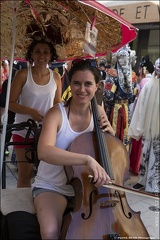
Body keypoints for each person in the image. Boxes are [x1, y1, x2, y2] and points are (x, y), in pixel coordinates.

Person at [31, 59, 115, 239]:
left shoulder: (99, 111)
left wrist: (111, 134)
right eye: (76, 83)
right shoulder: (56, 113)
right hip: (53, 186)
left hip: (89, 188)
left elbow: (110, 152)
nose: (82, 89)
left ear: (97, 85)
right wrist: (86, 159)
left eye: (88, 84)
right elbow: (44, 151)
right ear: (70, 82)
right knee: (50, 232)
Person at [9, 37, 62, 187]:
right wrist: (30, 111)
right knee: (24, 175)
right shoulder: (23, 75)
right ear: (31, 54)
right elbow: (10, 103)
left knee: (44, 175)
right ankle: (22, 209)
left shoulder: (56, 77)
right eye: (37, 51)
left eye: (46, 52)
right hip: (22, 131)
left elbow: (57, 104)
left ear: (51, 55)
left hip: (47, 132)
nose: (42, 56)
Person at [128, 58, 160, 193]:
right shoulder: (148, 86)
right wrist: (138, 128)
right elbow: (141, 108)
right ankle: (142, 181)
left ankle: (155, 184)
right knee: (146, 153)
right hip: (148, 127)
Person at [103, 44, 137, 151]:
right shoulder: (133, 76)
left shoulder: (113, 74)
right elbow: (132, 97)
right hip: (126, 110)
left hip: (115, 110)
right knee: (125, 136)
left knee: (112, 136)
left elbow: (108, 97)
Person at [129, 55, 154, 175]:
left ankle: (135, 166)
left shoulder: (145, 81)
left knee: (139, 143)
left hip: (143, 114)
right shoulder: (152, 82)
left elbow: (139, 101)